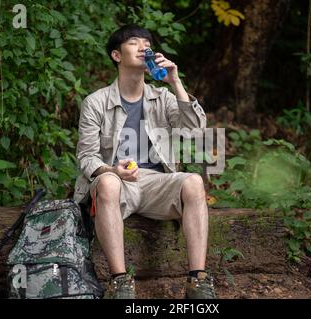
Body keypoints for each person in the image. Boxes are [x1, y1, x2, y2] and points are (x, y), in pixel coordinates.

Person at [73, 24, 215, 299]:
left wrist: (175, 81)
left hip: (155, 183)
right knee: (109, 184)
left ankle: (198, 281)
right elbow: (87, 157)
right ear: (116, 55)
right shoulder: (96, 102)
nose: (143, 47)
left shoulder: (162, 97)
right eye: (134, 42)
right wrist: (110, 170)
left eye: (147, 43)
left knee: (194, 182)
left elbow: (194, 131)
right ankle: (120, 283)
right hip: (114, 183)